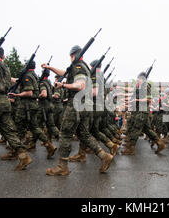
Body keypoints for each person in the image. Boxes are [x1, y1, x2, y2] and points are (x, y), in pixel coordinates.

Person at [41, 45, 114, 175]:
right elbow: (66, 73)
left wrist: (63, 85)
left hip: (76, 104)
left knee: (65, 134)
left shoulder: (78, 66)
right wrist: (50, 67)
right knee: (84, 134)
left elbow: (80, 85)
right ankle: (104, 156)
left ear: (72, 55)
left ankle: (62, 166)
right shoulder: (84, 67)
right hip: (85, 105)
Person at [121, 72, 166, 155]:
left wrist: (136, 100)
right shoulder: (140, 87)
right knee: (147, 130)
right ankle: (160, 143)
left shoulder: (145, 86)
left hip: (142, 112)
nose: (137, 80)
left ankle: (131, 149)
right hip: (139, 111)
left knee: (135, 129)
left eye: (139, 79)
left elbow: (149, 100)